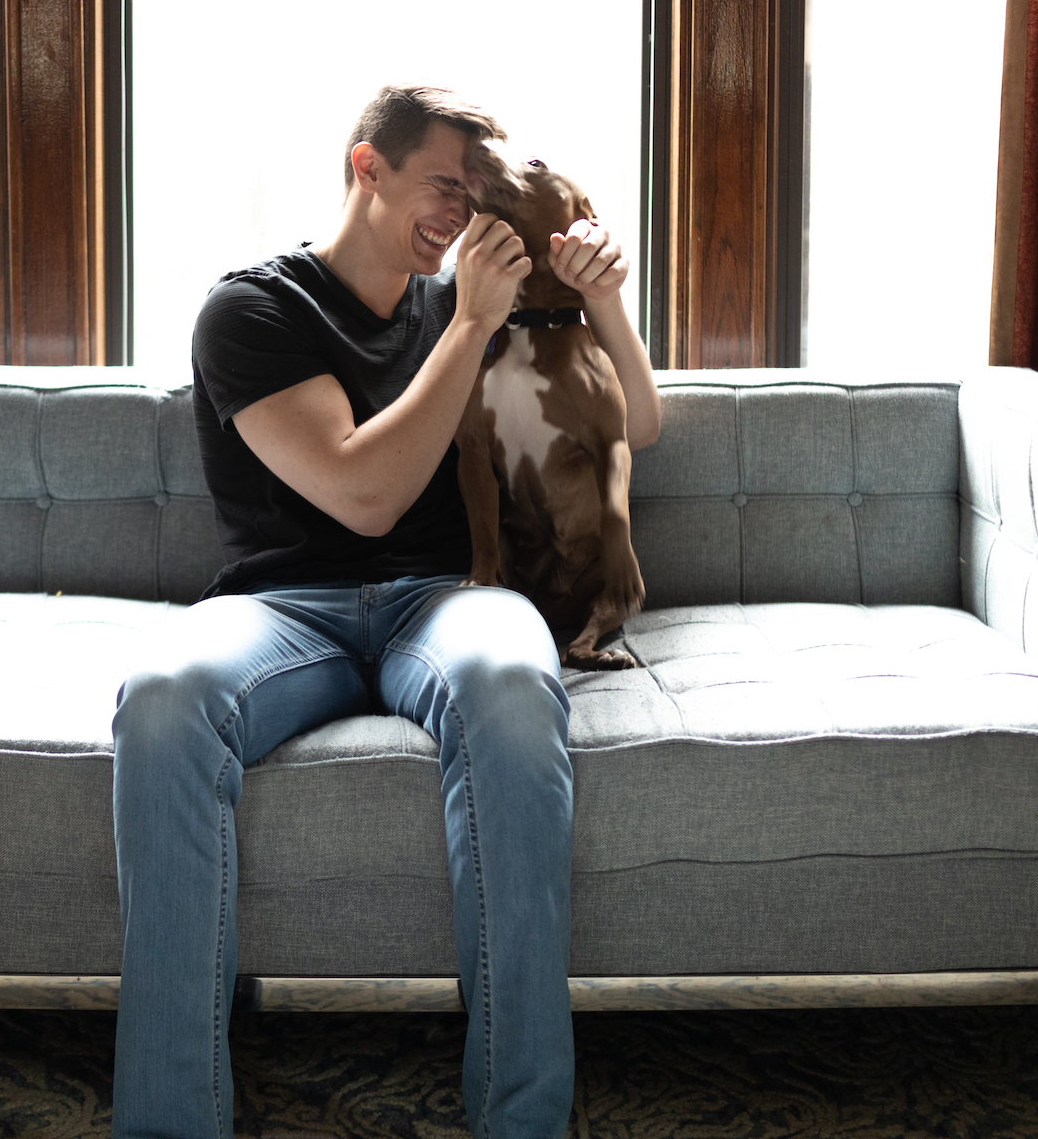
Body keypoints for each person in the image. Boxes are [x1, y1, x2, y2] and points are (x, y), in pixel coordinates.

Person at [110, 84, 662, 1139]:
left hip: (444, 602)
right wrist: (473, 324)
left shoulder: (465, 304)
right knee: (164, 696)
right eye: (443, 184)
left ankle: (522, 1121)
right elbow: (364, 495)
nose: (461, 212)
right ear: (367, 166)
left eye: (474, 193)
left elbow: (634, 423)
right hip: (284, 608)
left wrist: (601, 303)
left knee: (514, 681)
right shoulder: (256, 310)